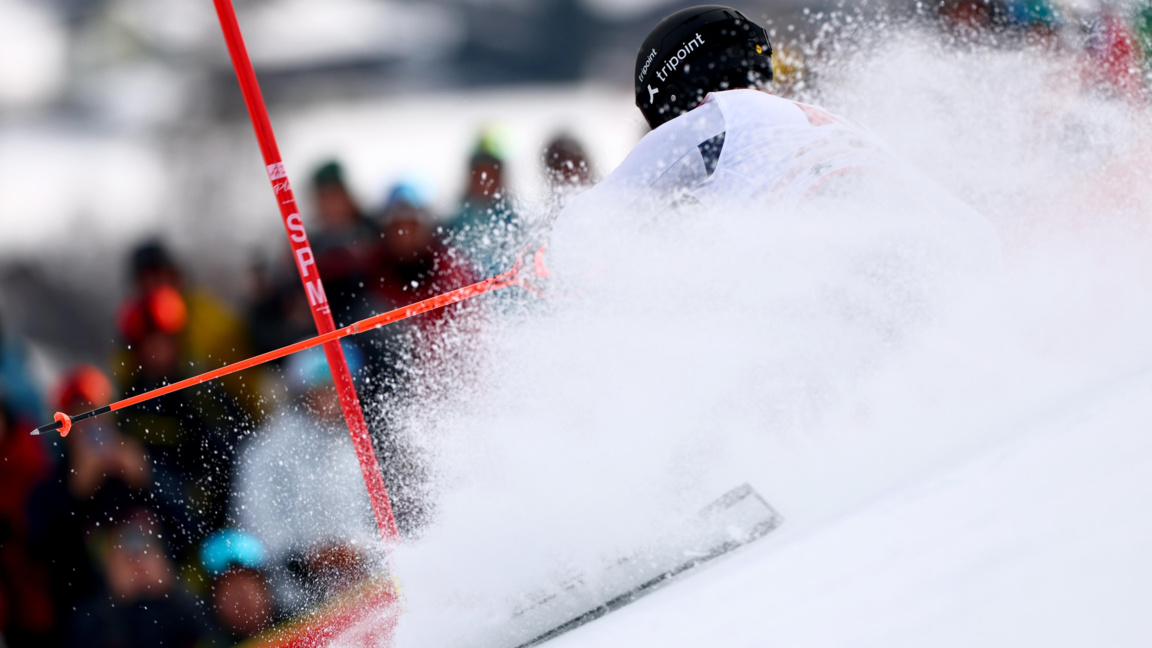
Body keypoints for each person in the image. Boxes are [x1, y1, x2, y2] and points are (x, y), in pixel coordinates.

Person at [548, 5, 1000, 274]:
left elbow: (592, 221)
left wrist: (549, 268)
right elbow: (979, 236)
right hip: (929, 265)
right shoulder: (838, 125)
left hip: (833, 273)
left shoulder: (716, 118)